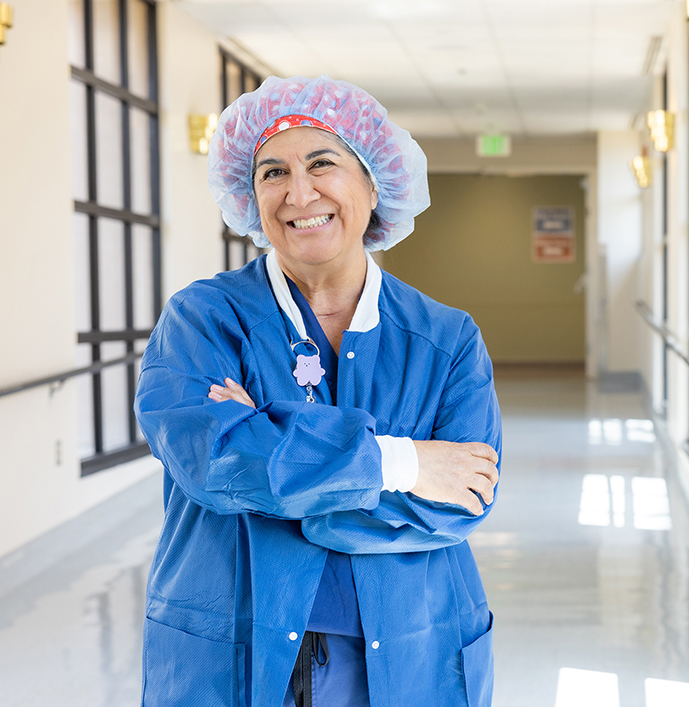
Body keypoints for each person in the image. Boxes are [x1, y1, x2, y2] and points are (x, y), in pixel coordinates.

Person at [134, 75, 502, 707]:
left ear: (371, 183)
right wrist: (402, 463)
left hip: (406, 654)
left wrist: (272, 460)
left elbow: (462, 500)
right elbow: (212, 461)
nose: (298, 193)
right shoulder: (204, 321)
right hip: (235, 648)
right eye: (272, 172)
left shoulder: (446, 340)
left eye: (322, 163)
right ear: (249, 197)